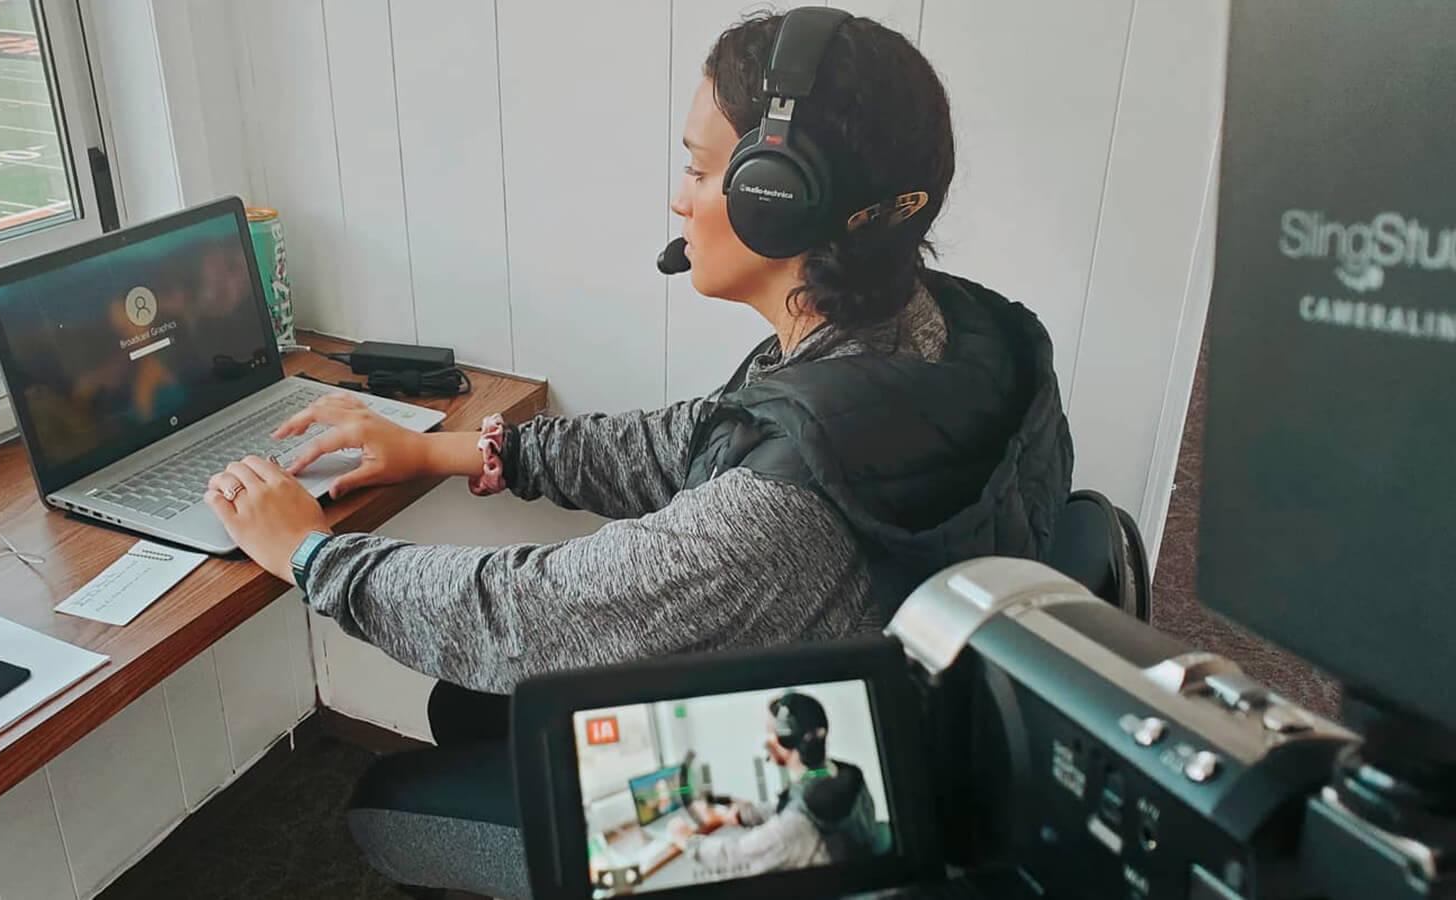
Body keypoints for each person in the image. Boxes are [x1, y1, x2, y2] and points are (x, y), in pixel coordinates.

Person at [206, 9, 1072, 896]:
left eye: (699, 169)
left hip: (810, 811)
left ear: (780, 200)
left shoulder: (785, 505)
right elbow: (697, 439)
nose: (678, 197)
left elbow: (529, 620)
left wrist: (309, 552)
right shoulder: (958, 331)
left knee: (388, 801)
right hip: (913, 732)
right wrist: (460, 452)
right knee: (462, 704)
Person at [668, 692, 883, 878]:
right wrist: (739, 815)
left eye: (770, 731)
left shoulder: (795, 826)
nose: (766, 739)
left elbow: (734, 857)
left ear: (786, 740)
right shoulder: (843, 775)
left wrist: (686, 839)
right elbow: (790, 806)